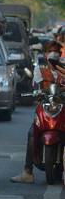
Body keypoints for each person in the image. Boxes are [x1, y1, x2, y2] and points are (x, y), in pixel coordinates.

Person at [11, 41, 65, 184]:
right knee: (31, 134)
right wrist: (37, 93)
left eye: (57, 52)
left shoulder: (63, 69)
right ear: (46, 54)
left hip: (63, 109)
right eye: (51, 51)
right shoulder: (39, 70)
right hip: (45, 109)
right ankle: (27, 172)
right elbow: (37, 87)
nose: (54, 54)